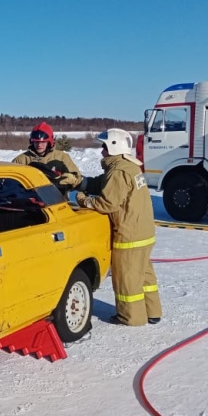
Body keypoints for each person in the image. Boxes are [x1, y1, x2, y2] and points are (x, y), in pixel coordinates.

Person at [74, 128, 162, 326]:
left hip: (129, 235)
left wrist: (84, 200)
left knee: (127, 279)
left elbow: (108, 203)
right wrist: (82, 182)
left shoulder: (118, 172)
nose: (102, 152)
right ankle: (152, 311)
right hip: (144, 232)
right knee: (144, 274)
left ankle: (131, 317)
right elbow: (106, 184)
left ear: (114, 147)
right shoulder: (128, 167)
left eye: (104, 147)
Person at [12, 122, 82, 191]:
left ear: (49, 142)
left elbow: (78, 179)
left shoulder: (62, 157)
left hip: (58, 199)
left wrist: (64, 182)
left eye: (43, 142)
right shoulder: (21, 160)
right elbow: (9, 182)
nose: (39, 145)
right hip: (30, 200)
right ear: (32, 142)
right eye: (36, 142)